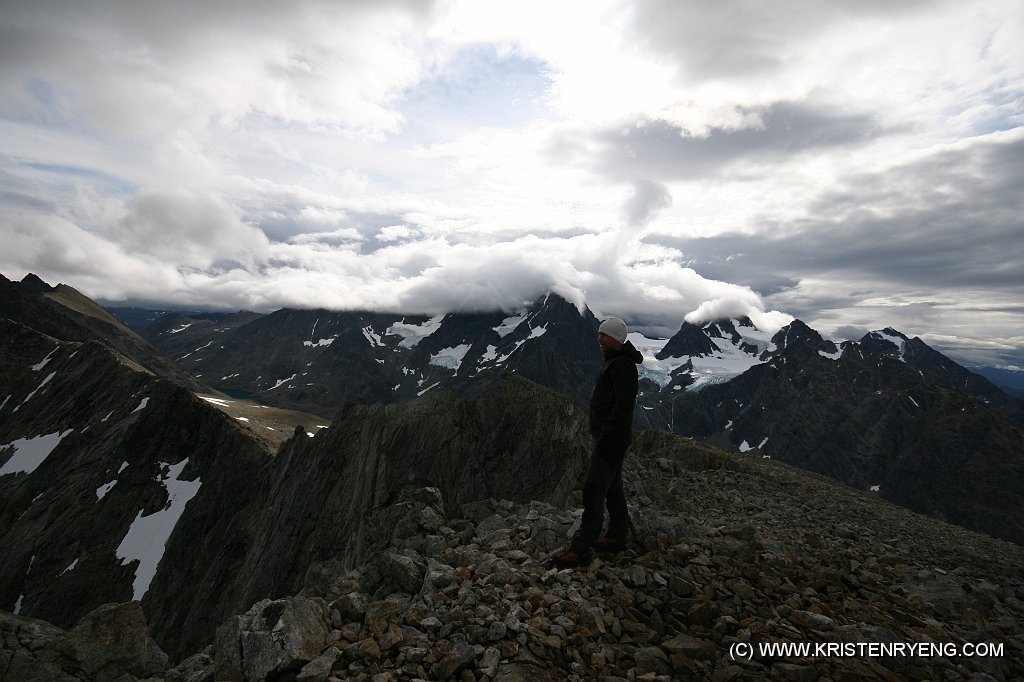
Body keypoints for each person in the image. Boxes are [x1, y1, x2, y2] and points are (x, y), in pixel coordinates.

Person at [554, 316, 643, 568]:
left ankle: (580, 549)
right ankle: (616, 536)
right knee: (613, 489)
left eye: (603, 335)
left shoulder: (622, 366)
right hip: (610, 437)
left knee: (593, 489)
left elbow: (623, 407)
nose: (598, 339)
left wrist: (605, 438)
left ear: (615, 338)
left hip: (610, 439)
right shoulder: (616, 362)